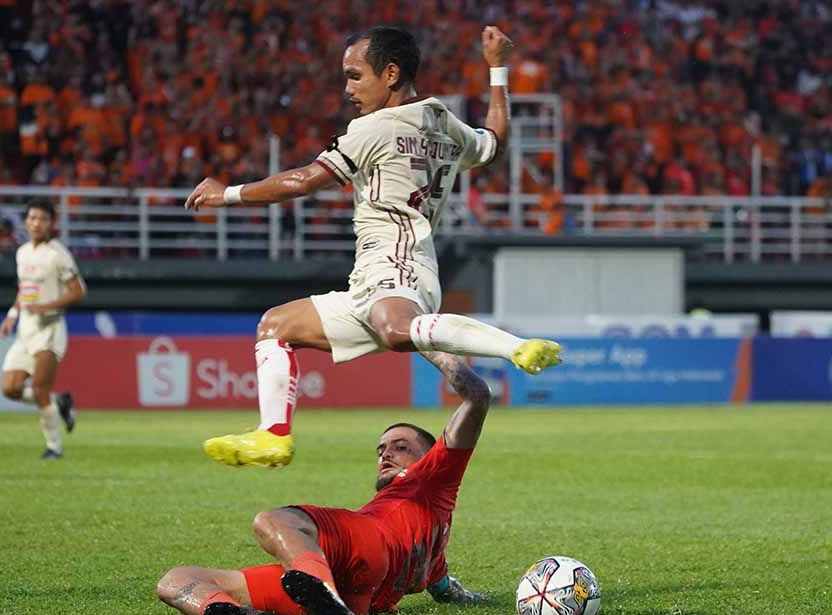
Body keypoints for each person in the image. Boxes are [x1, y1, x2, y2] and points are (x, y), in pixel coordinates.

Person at [183, 26, 561, 469]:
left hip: (398, 264)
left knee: (395, 331)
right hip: (375, 277)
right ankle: (273, 435)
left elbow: (304, 181)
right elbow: (493, 143)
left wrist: (225, 193)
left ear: (391, 74)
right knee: (275, 326)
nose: (348, 89)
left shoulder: (374, 127)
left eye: (355, 76)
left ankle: (513, 346)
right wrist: (497, 69)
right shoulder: (446, 124)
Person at [156, 352, 489, 615]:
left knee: (273, 520)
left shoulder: (434, 476)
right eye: (380, 450)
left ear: (430, 456)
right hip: (349, 584)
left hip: (361, 547)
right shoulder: (430, 545)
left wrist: (425, 342)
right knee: (176, 580)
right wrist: (477, 599)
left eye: (401, 447)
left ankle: (322, 592)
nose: (385, 454)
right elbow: (446, 589)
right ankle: (228, 612)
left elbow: (476, 395)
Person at [0, 198, 85, 459]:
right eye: (33, 218)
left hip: (50, 330)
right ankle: (61, 402)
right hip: (26, 330)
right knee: (10, 389)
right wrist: (12, 315)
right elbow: (25, 290)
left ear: (51, 223)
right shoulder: (22, 252)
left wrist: (47, 306)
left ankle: (54, 447)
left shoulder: (57, 254)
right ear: (26, 221)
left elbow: (78, 291)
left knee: (39, 388)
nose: (37, 223)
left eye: (43, 219)